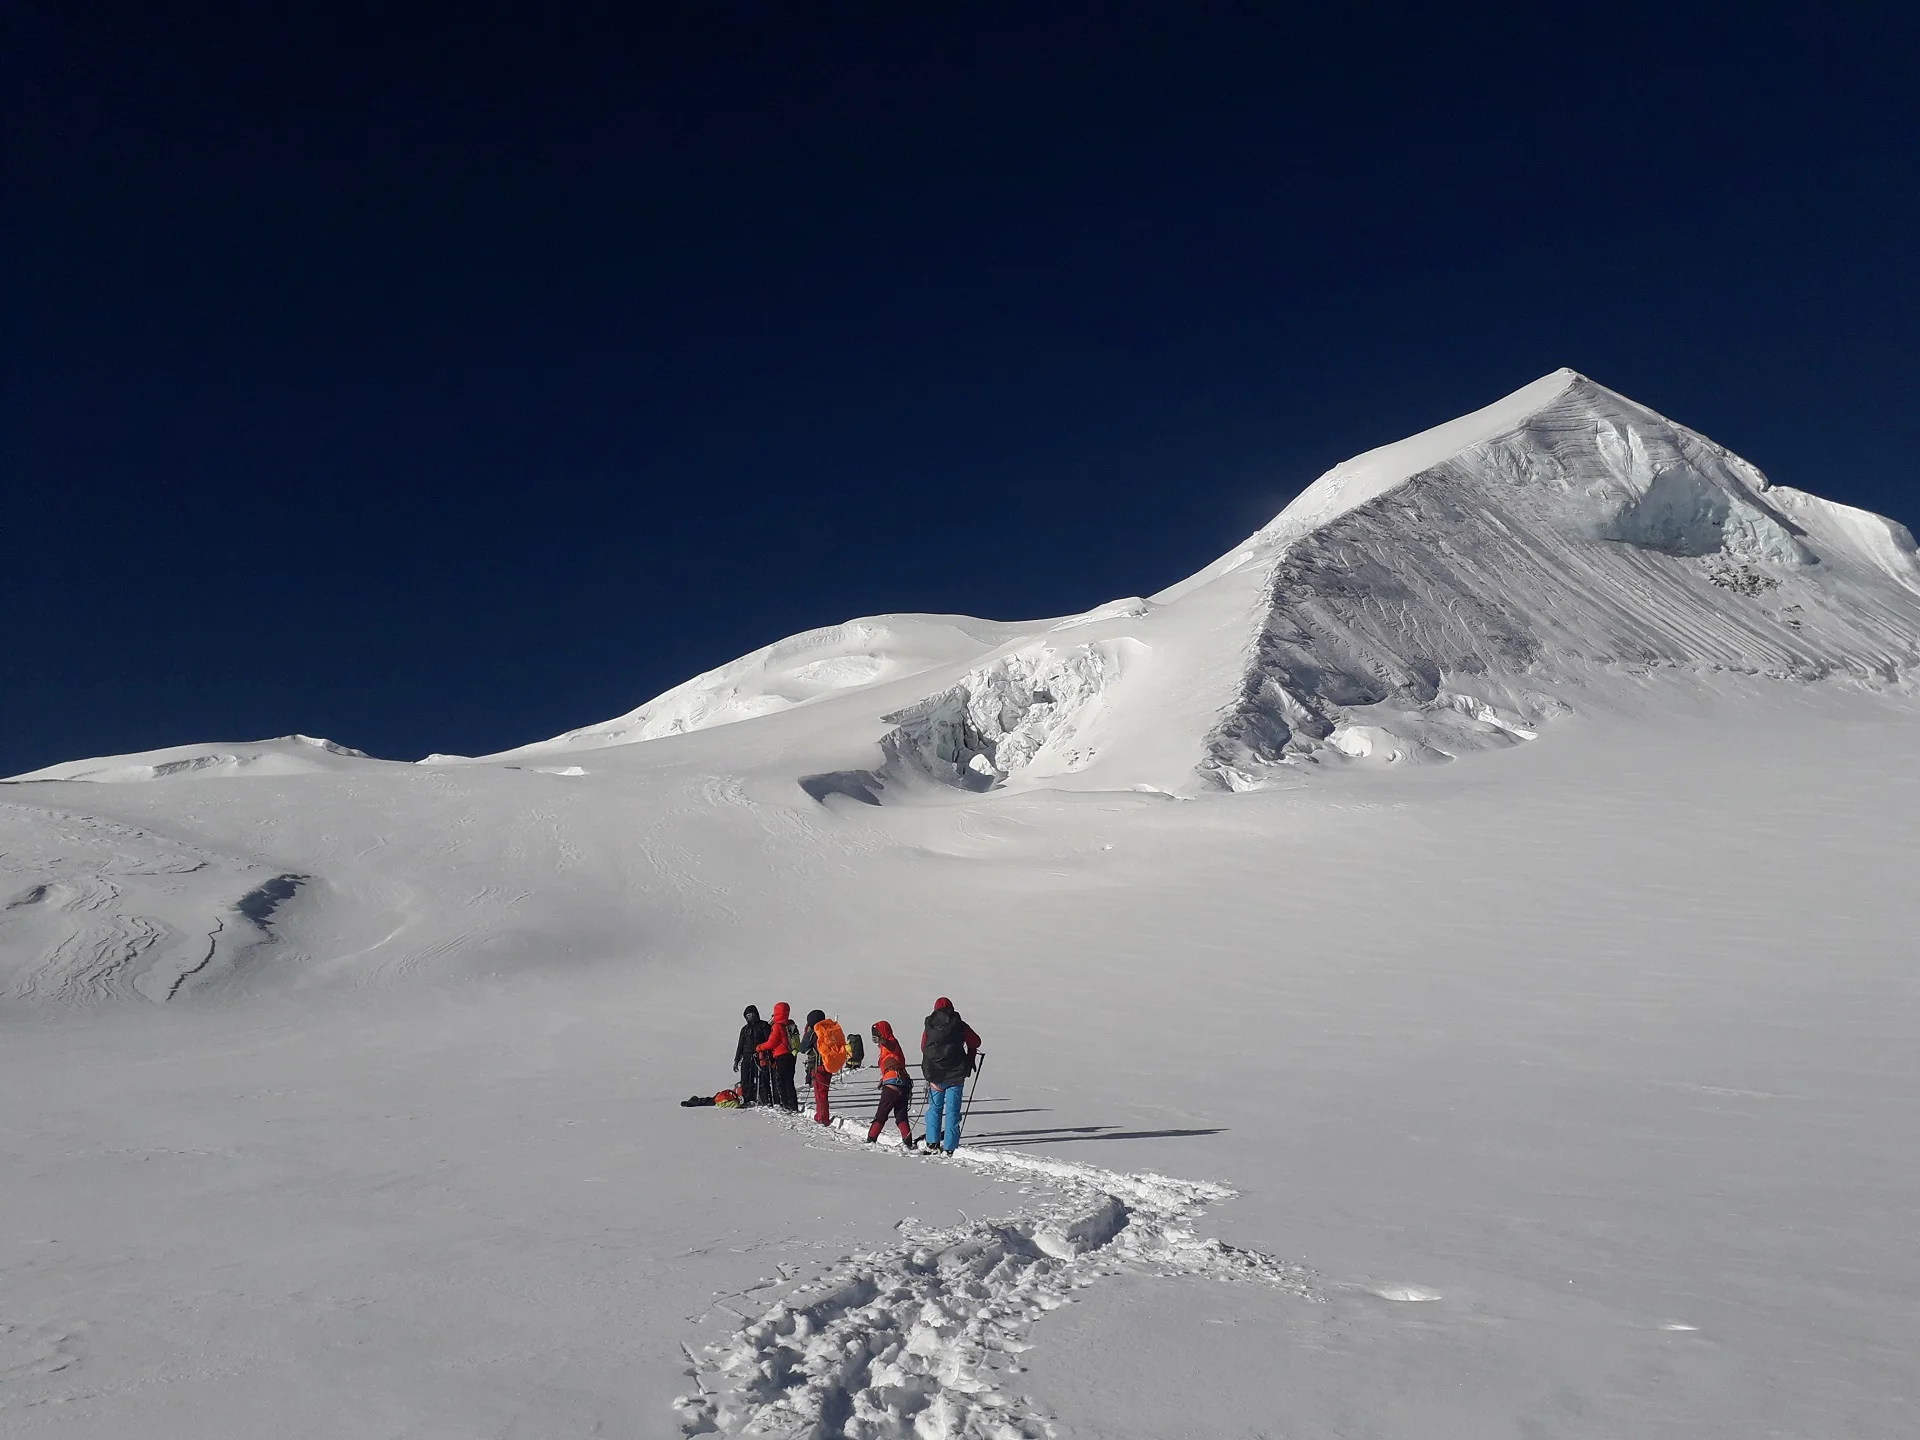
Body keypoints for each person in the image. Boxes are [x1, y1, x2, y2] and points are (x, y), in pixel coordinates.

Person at [919, 997, 981, 1154]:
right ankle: (950, 1148)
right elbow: (976, 1041)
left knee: (934, 1109)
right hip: (955, 1075)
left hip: (935, 1075)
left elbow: (923, 1047)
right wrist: (970, 1055)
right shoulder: (959, 1025)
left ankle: (932, 1143)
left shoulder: (930, 1026)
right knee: (953, 1111)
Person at [865, 1020, 917, 1148]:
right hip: (902, 1083)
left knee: (881, 1114)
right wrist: (883, 1079)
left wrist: (882, 1040)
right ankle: (908, 1143)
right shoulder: (887, 1048)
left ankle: (870, 1140)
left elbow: (889, 1044)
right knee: (901, 1116)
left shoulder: (892, 1042)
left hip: (892, 1085)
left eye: (876, 1034)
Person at [756, 1000, 799, 1112]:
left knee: (780, 1080)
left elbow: (772, 1042)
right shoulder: (791, 1024)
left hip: (781, 1056)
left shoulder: (777, 1026)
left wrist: (760, 1047)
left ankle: (785, 1105)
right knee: (789, 1081)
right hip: (792, 1055)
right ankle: (793, 1105)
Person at [799, 1008, 833, 1125]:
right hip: (829, 1065)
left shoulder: (814, 1032)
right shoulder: (830, 1030)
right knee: (824, 1092)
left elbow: (802, 1048)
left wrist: (806, 1032)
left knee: (820, 1094)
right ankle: (822, 1116)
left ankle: (822, 1118)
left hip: (818, 1066)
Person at [732, 1004, 770, 1107]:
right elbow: (740, 1045)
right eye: (748, 1015)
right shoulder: (744, 1029)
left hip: (760, 1056)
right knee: (745, 1080)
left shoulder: (764, 1026)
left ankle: (764, 1100)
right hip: (747, 1057)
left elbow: (769, 1042)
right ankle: (748, 1099)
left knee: (762, 1080)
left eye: (752, 1015)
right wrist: (736, 1060)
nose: (750, 1017)